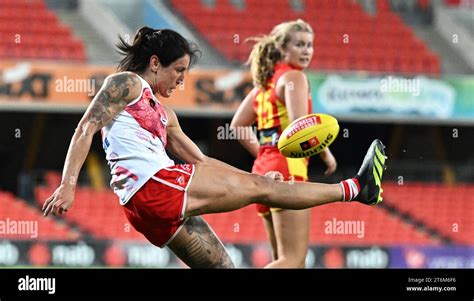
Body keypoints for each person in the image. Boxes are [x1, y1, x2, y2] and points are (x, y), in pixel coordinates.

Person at [42, 27, 387, 269]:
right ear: (154, 63)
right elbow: (86, 127)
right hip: (155, 187)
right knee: (263, 191)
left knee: (224, 267)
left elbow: (202, 160)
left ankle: (332, 187)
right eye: (178, 70)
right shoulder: (126, 84)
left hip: (146, 206)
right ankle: (357, 188)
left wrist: (257, 178)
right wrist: (68, 184)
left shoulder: (166, 114)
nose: (181, 79)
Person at [231, 19, 338, 268]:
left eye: (310, 45)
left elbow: (237, 126)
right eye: (299, 45)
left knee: (288, 263)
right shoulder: (294, 77)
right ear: (282, 49)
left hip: (263, 172)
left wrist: (266, 154)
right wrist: (326, 156)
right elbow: (303, 125)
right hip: (289, 172)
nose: (306, 51)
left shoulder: (263, 85)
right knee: (292, 260)